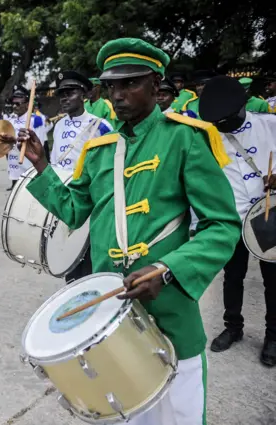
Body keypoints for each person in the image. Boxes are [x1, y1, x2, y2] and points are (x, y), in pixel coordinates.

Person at [18, 38, 241, 424]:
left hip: (170, 304)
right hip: (111, 308)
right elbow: (73, 211)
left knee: (180, 412)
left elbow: (221, 226)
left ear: (156, 85)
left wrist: (167, 269)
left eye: (130, 84)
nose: (118, 95)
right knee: (127, 408)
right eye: (111, 87)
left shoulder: (186, 137)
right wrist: (42, 167)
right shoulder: (99, 150)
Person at [199, 75, 276, 367]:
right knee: (232, 277)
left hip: (268, 216)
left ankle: (273, 336)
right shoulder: (211, 137)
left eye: (228, 120)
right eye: (218, 122)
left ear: (244, 105)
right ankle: (233, 327)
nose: (223, 126)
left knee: (273, 280)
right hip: (233, 218)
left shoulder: (270, 126)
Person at [50, 71, 113, 281]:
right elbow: (55, 161)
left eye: (71, 93)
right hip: (66, 196)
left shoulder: (101, 125)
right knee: (69, 253)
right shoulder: (58, 126)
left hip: (90, 198)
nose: (65, 98)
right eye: (62, 94)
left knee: (90, 255)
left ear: (84, 94)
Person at [0, 85, 48, 190]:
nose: (14, 106)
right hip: (14, 168)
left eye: (18, 104)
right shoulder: (10, 120)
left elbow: (39, 147)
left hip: (29, 169)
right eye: (13, 103)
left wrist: (15, 141)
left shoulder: (35, 120)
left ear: (27, 104)